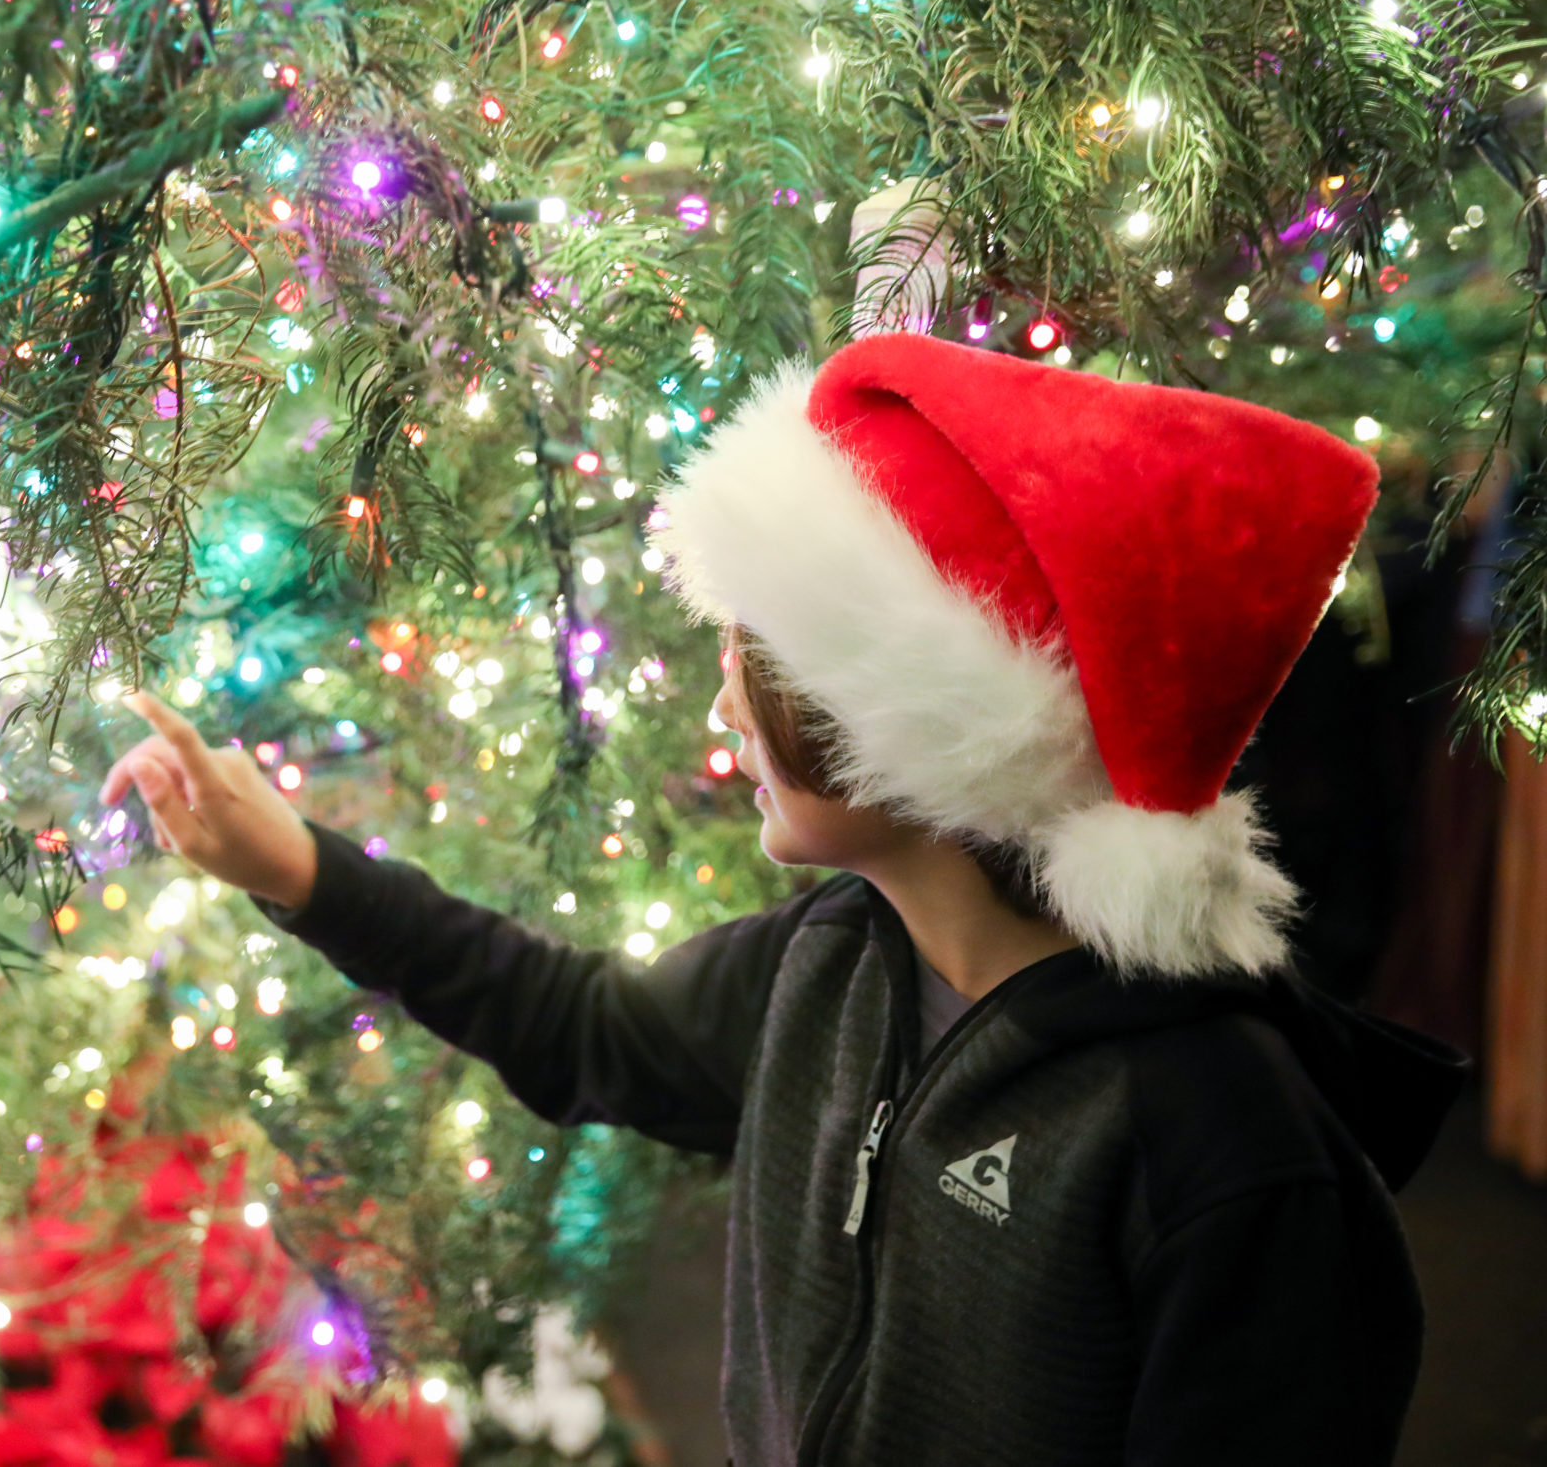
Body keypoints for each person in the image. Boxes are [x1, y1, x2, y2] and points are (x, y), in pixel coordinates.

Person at [99, 332, 1469, 1467]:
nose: (721, 700)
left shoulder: (1224, 1156)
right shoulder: (825, 967)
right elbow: (578, 1026)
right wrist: (298, 870)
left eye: (758, 660)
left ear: (901, 723)